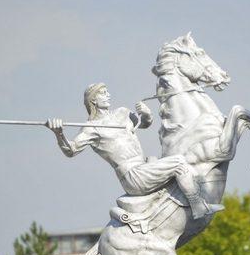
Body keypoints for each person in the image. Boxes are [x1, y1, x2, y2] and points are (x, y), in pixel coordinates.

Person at [46, 83, 224, 219]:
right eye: (103, 93)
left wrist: (146, 115)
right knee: (178, 163)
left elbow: (144, 124)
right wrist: (59, 133)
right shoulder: (91, 128)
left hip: (143, 165)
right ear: (93, 100)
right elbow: (71, 150)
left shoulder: (123, 113)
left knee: (162, 158)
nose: (108, 95)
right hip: (132, 175)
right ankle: (198, 207)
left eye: (107, 91)